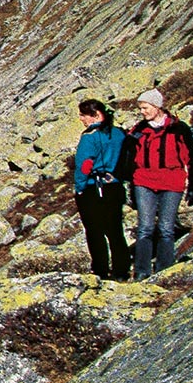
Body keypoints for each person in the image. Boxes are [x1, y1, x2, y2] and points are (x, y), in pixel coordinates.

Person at [118, 87, 193, 278]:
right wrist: (125, 183)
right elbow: (127, 158)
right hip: (144, 182)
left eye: (145, 108)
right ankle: (142, 272)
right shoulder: (138, 130)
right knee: (145, 228)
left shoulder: (179, 129)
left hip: (172, 183)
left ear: (157, 107)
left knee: (166, 228)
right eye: (140, 108)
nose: (142, 112)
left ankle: (164, 272)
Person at [70, 99, 130, 280]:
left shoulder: (89, 136)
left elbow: (85, 165)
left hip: (93, 188)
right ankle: (121, 269)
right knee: (115, 230)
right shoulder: (118, 133)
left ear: (96, 115)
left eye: (83, 115)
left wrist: (79, 188)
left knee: (95, 231)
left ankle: (101, 269)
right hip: (115, 186)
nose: (81, 119)